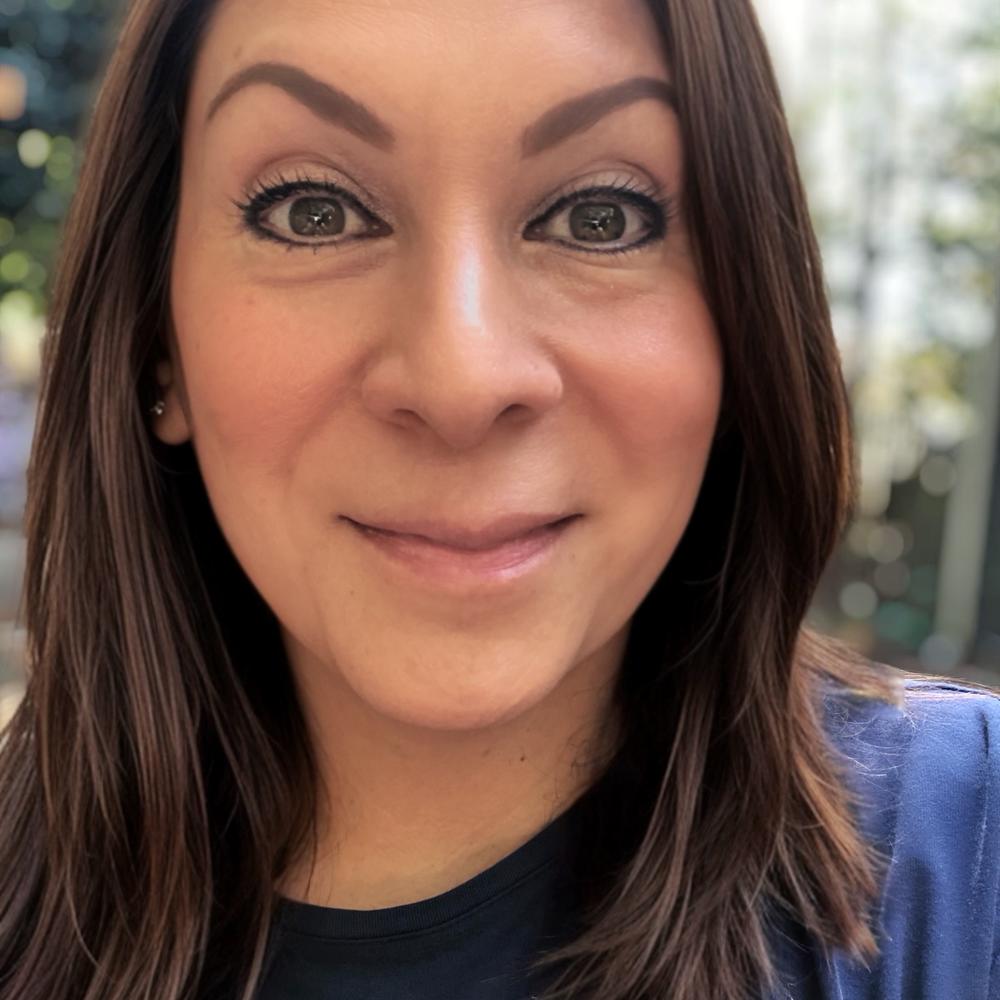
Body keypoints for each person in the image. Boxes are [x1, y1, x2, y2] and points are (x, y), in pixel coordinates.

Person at [0, 0, 997, 998]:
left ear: (740, 327)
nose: (460, 379)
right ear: (155, 342)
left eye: (599, 216)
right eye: (313, 210)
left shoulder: (967, 861)